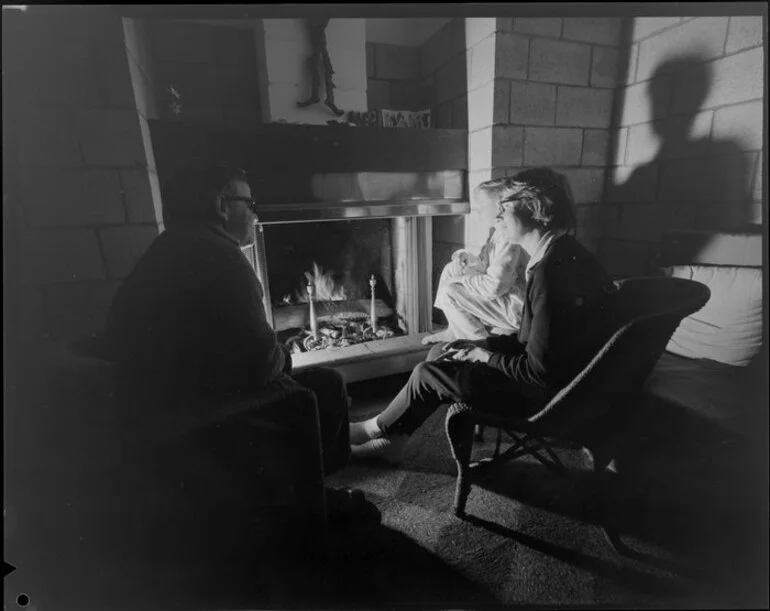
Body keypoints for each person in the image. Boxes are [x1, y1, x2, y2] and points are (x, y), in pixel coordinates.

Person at [102, 159, 372, 523]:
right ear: (221, 205)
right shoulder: (220, 258)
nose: (255, 215)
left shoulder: (169, 247)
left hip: (155, 407)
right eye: (250, 204)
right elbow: (260, 364)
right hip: (204, 413)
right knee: (326, 384)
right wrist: (285, 358)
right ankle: (309, 502)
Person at [350, 170, 615, 462]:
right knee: (442, 351)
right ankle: (393, 437)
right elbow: (543, 348)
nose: (498, 215)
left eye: (506, 205)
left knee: (429, 372)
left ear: (537, 207)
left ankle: (379, 431)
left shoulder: (552, 274)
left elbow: (538, 373)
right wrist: (483, 347)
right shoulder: (558, 255)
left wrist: (484, 356)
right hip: (556, 379)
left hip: (545, 397)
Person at [422, 168, 575, 345]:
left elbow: (495, 286)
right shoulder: (499, 233)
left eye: (481, 208)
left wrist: (462, 280)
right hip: (505, 297)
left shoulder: (510, 238)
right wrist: (466, 261)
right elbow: (486, 265)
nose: (477, 213)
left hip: (515, 308)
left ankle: (477, 340)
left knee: (451, 290)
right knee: (451, 269)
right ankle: (453, 329)